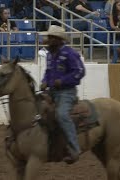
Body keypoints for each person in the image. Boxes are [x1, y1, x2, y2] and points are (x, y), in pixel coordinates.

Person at [40, 25, 85, 164]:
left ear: (59, 39)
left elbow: (79, 71)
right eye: (49, 37)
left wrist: (63, 80)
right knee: (37, 110)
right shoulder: (49, 54)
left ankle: (74, 148)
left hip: (67, 92)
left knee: (62, 115)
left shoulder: (70, 53)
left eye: (52, 38)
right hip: (52, 92)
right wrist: (44, 81)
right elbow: (48, 72)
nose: (48, 40)